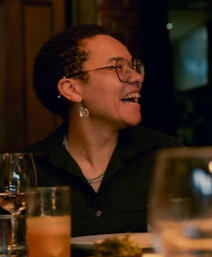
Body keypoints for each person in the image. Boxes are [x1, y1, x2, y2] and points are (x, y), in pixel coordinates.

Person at [30, 24, 179, 237]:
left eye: (134, 67)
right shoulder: (32, 171)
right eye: (117, 67)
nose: (137, 77)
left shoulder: (168, 157)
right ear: (71, 89)